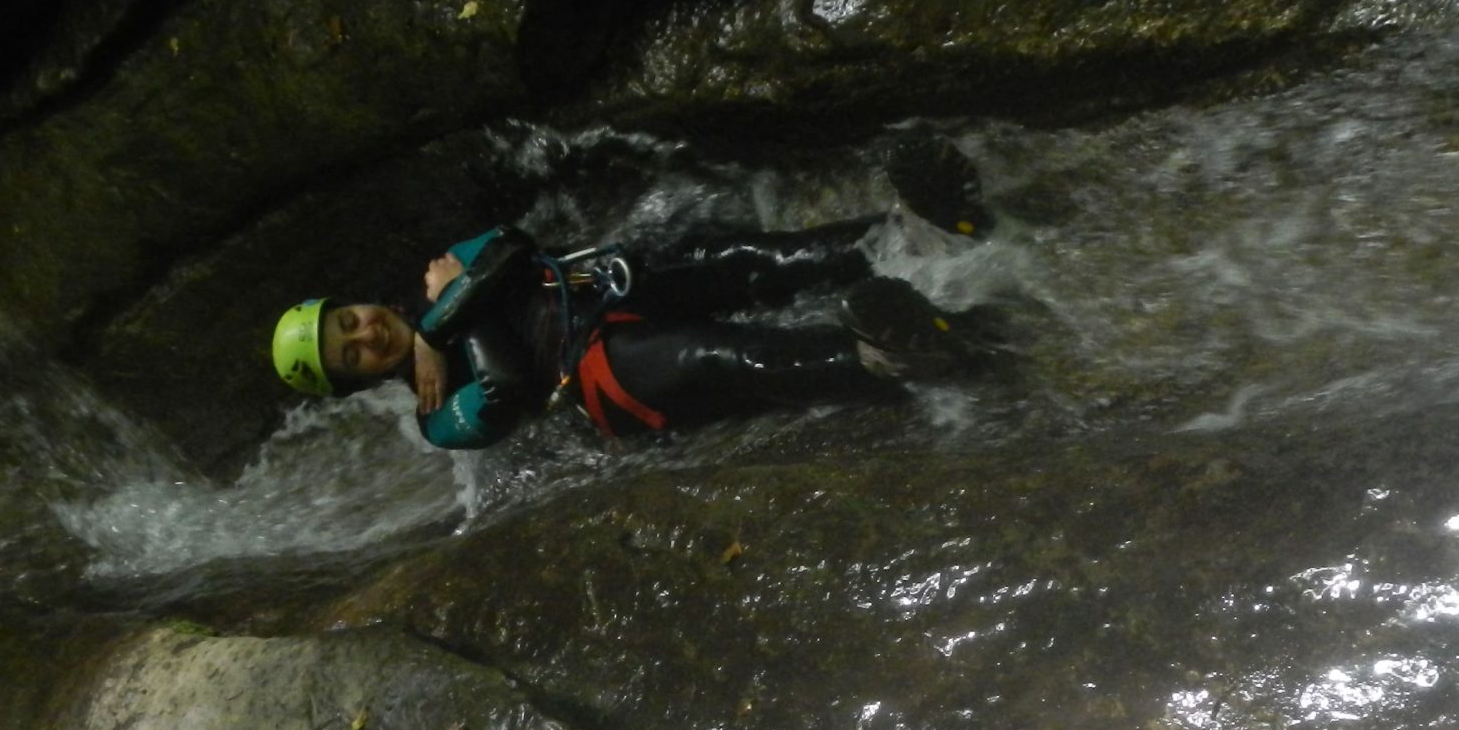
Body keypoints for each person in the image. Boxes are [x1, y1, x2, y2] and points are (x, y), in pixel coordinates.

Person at [270, 138, 993, 449]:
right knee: (716, 355)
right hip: (596, 371)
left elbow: (513, 248)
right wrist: (450, 317)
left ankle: (912, 235)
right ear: (360, 383)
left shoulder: (440, 276)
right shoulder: (438, 420)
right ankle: (889, 360)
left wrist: (437, 325)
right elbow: (508, 386)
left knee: (744, 256)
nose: (366, 335)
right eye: (351, 355)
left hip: (600, 282)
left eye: (350, 321)